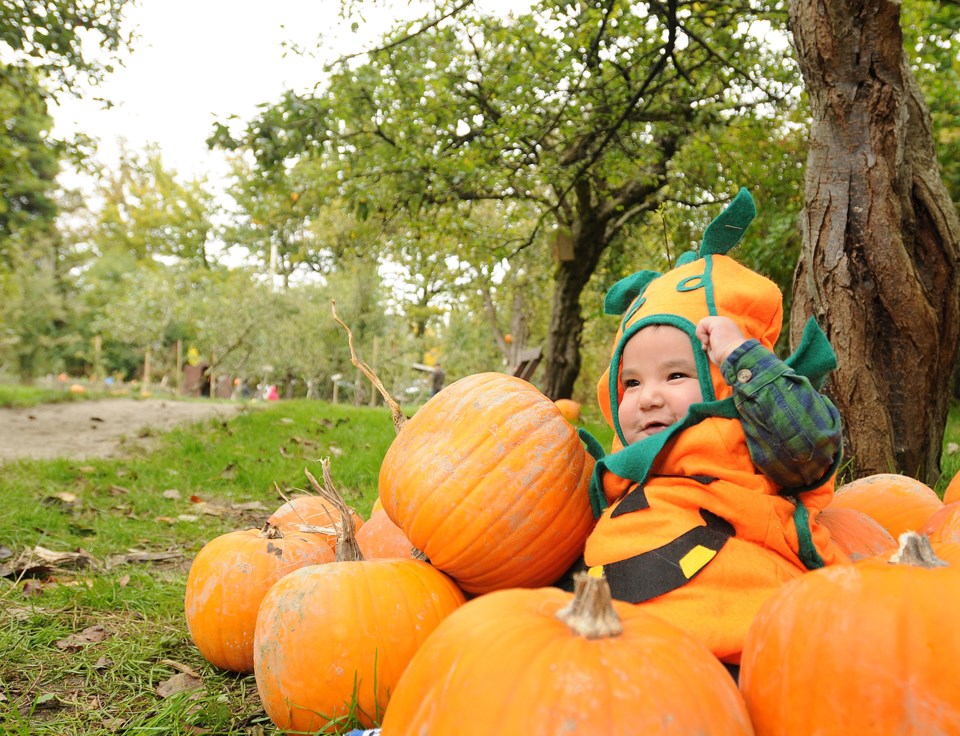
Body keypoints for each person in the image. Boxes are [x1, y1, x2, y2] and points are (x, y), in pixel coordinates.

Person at [579, 188, 848, 669]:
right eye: (632, 382)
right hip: (618, 649)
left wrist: (741, 359)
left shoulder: (749, 440)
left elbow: (812, 444)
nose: (649, 396)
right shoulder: (623, 470)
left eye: (677, 375)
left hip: (733, 648)